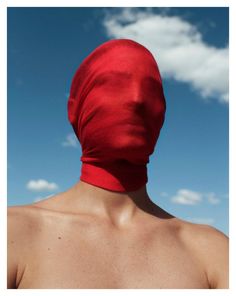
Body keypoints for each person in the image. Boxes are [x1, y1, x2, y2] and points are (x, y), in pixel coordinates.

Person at [7, 39, 229, 289]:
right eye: (115, 84)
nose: (136, 100)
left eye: (150, 90)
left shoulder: (214, 251)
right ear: (75, 109)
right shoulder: (12, 232)